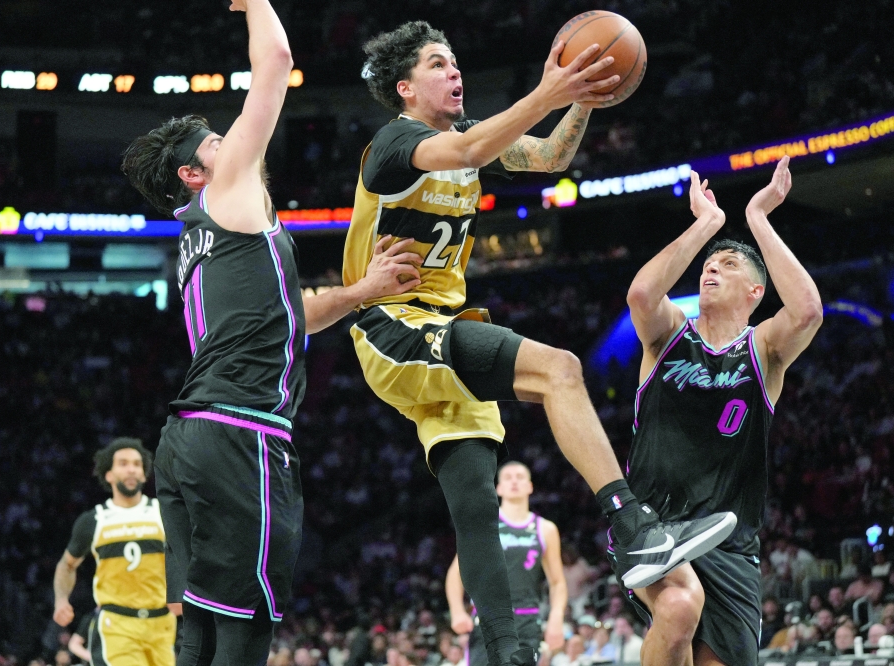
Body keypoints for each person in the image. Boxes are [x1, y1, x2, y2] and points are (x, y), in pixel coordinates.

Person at [343, 20, 736, 666]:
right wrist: (551, 88)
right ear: (406, 88)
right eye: (439, 64)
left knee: (476, 506)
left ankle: (507, 656)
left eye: (456, 60)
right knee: (560, 368)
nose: (455, 72)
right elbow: (467, 154)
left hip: (446, 327)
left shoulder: (472, 139)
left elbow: (550, 157)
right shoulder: (394, 144)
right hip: (394, 329)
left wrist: (583, 92)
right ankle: (632, 528)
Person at [120, 2, 420, 663]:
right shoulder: (228, 190)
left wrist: (364, 291)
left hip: (187, 441)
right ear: (192, 174)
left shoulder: (203, 240)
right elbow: (276, 64)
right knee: (248, 624)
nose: (230, 144)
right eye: (214, 144)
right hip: (238, 433)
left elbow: (291, 313)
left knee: (201, 614)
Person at [622, 155, 823, 665]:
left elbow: (807, 312)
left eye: (727, 265)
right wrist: (706, 225)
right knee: (679, 608)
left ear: (756, 292)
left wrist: (758, 218)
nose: (712, 267)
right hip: (654, 526)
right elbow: (643, 293)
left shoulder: (763, 351)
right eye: (709, 264)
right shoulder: (668, 335)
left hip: (730, 540)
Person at [53, 438, 176, 666]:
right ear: (108, 474)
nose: (131, 469)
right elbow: (66, 565)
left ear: (144, 473)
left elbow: (189, 557)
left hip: (163, 624)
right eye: (123, 463)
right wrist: (61, 599)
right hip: (117, 625)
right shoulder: (94, 520)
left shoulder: (165, 513)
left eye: (137, 464)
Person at [446, 462, 567, 664]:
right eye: (508, 477)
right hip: (489, 620)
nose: (514, 481)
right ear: (498, 488)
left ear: (530, 486)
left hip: (528, 620)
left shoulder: (545, 529)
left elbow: (558, 582)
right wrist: (457, 611)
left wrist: (556, 618)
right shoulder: (483, 525)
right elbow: (456, 572)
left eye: (519, 477)